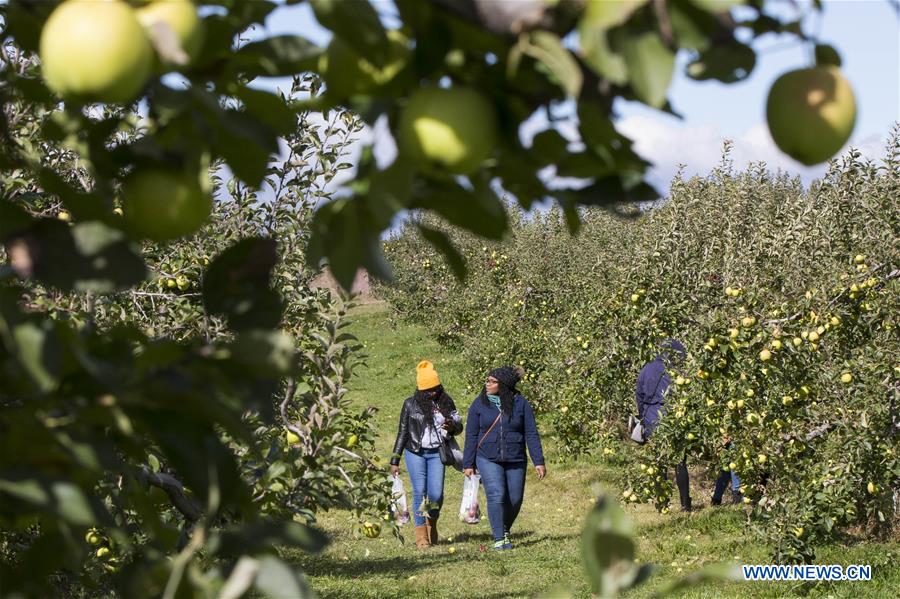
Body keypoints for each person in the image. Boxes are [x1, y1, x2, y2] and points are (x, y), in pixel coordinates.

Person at [462, 365, 546, 550]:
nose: (487, 384)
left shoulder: (520, 403)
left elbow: (531, 432)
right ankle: (499, 538)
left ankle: (504, 528)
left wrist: (538, 460)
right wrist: (468, 463)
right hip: (487, 457)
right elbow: (471, 435)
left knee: (515, 499)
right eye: (487, 380)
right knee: (496, 494)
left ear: (504, 385)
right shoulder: (479, 403)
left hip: (515, 457)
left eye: (493, 382)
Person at [390, 360, 462, 549]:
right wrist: (395, 460)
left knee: (436, 494)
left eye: (435, 388)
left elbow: (459, 426)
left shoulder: (446, 401)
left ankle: (432, 522)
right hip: (415, 452)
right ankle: (421, 534)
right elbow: (402, 432)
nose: (432, 393)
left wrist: (452, 426)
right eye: (428, 390)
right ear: (420, 390)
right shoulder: (409, 404)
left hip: (437, 452)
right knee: (420, 492)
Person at [636, 339, 692, 511]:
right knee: (679, 462)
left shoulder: (647, 369)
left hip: (652, 419)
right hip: (675, 418)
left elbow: (639, 396)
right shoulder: (678, 371)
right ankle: (685, 504)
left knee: (659, 463)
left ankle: (662, 503)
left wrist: (643, 418)